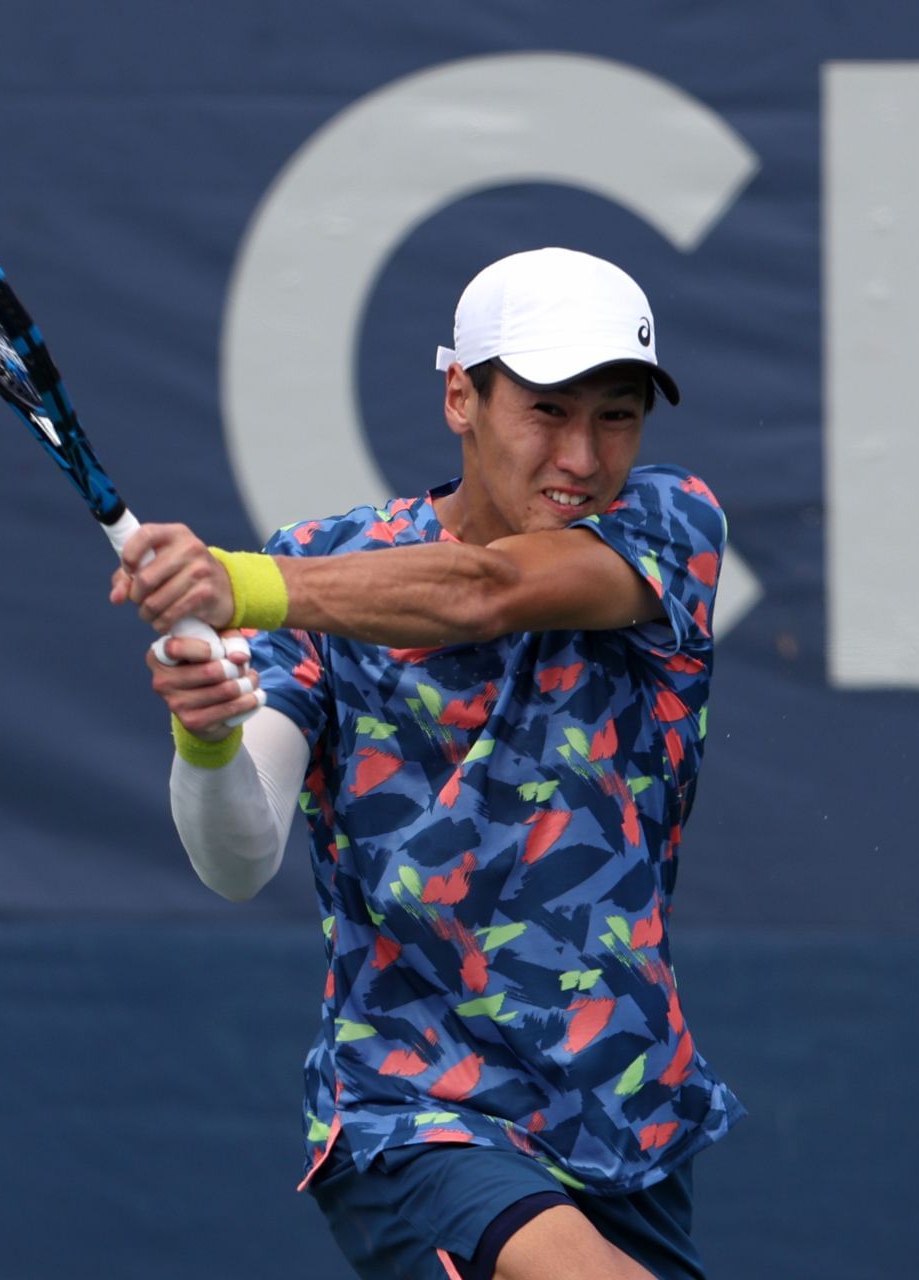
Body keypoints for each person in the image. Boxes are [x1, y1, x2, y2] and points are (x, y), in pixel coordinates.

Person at [110, 247, 742, 1280]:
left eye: (616, 414)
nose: (581, 453)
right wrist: (210, 735)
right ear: (462, 395)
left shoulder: (669, 526)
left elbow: (483, 590)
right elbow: (240, 853)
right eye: (546, 408)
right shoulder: (322, 563)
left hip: (627, 1119)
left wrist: (238, 581)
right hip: (415, 1109)